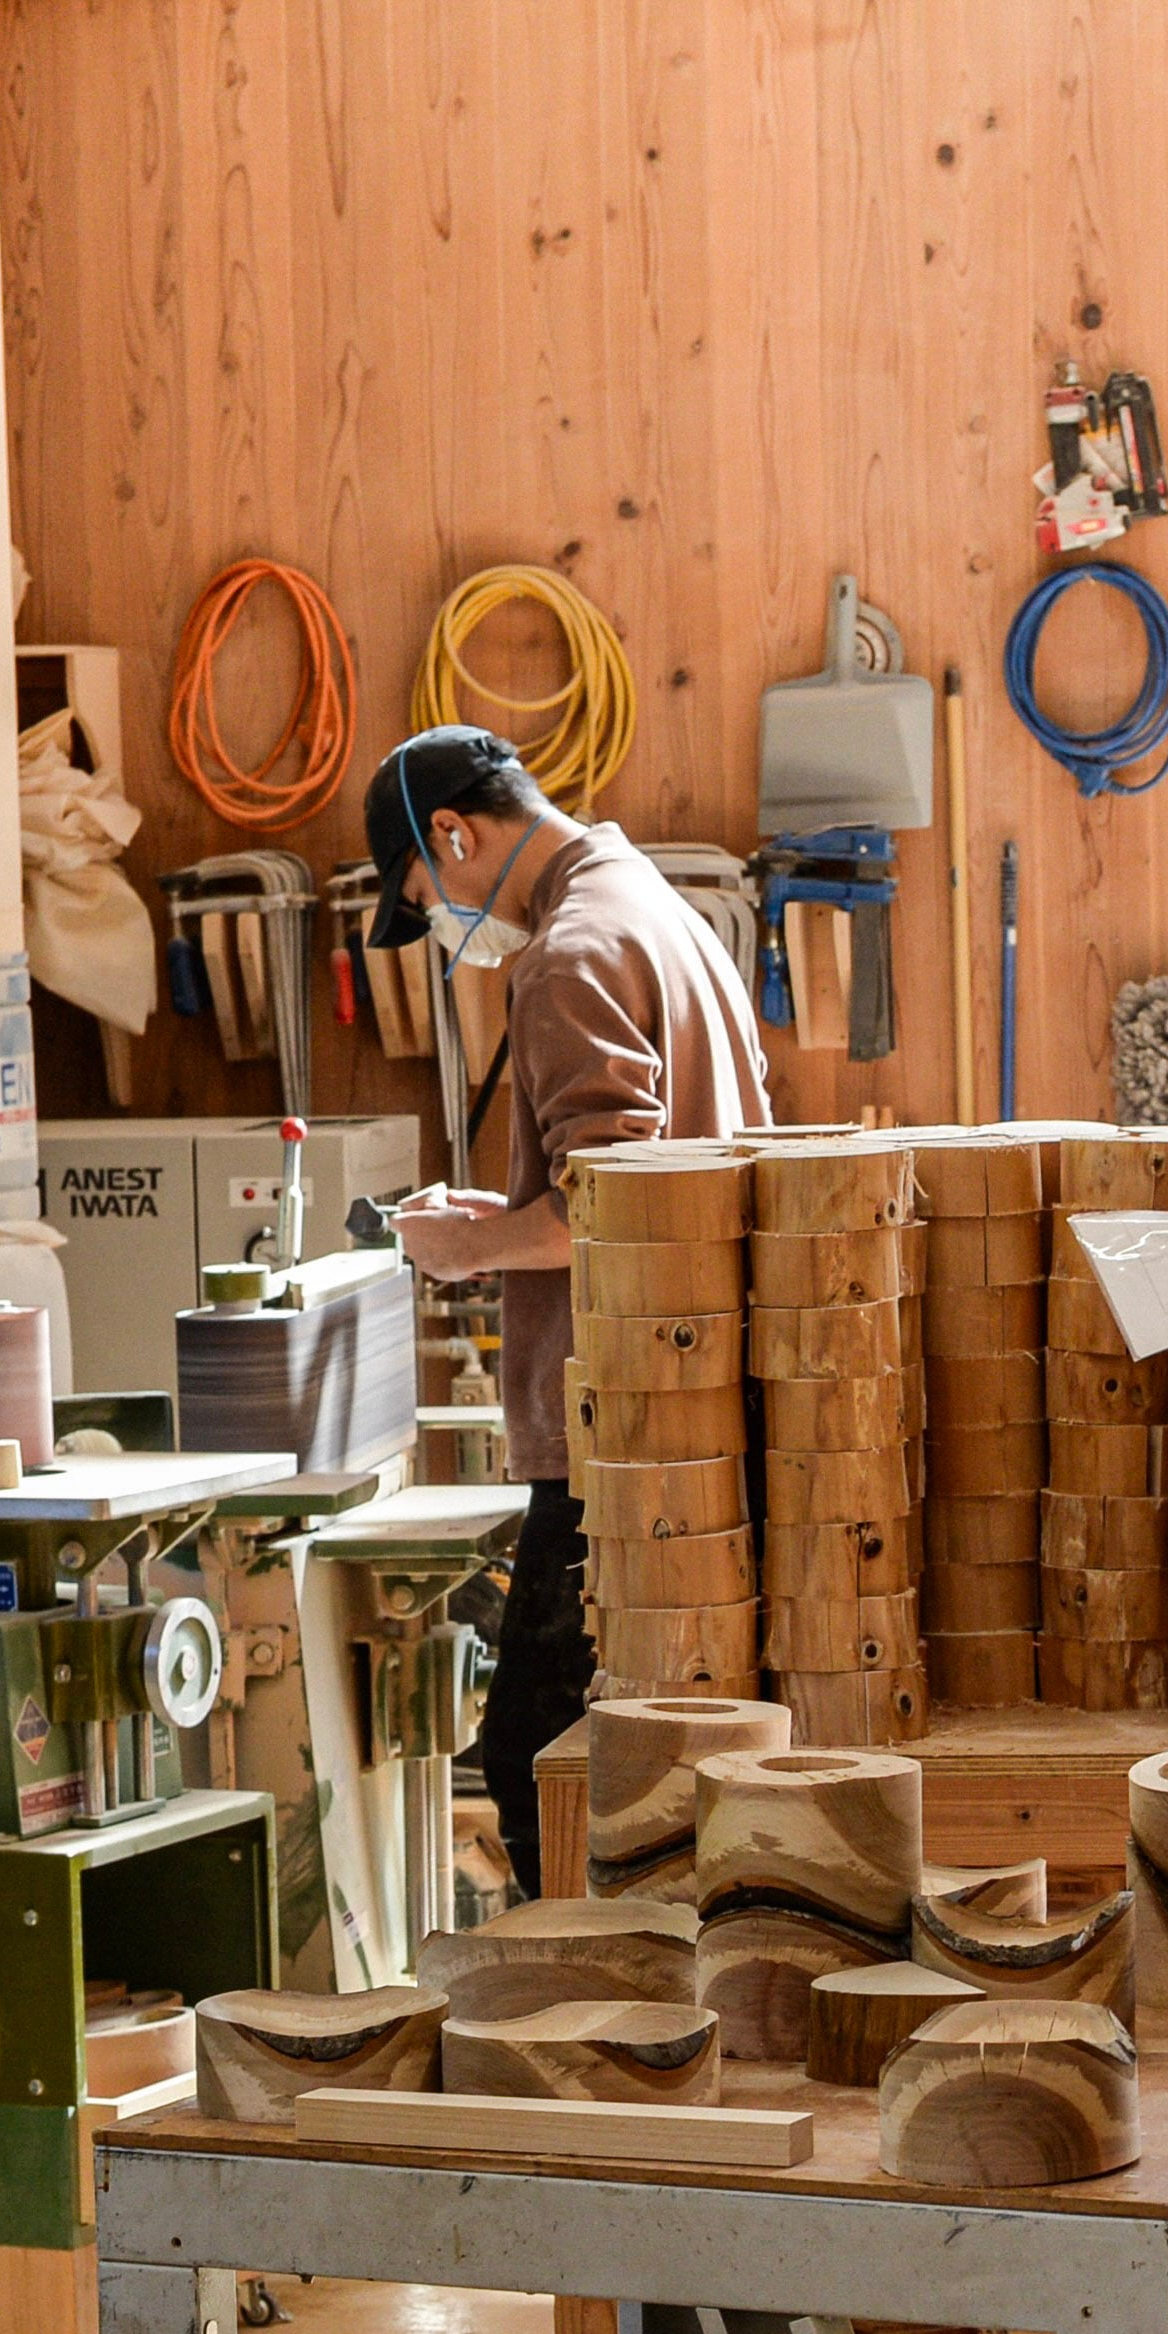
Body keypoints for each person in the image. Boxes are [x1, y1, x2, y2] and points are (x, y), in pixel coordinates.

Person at [361, 725, 772, 1897]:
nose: (444, 924)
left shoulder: (565, 956)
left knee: (540, 1751)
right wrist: (514, 1204)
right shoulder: (658, 909)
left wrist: (466, 1246)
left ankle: (576, 2026)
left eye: (422, 898)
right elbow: (660, 1160)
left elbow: (622, 1203)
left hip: (620, 1420)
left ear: (453, 836)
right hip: (698, 1393)